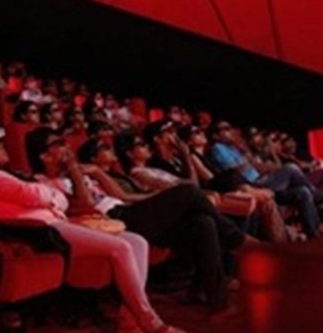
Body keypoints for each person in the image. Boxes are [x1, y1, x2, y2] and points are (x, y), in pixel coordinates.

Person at [0, 132, 184, 333]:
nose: (0, 145)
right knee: (121, 247)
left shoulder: (11, 176)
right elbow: (41, 196)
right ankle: (150, 322)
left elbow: (56, 199)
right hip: (40, 233)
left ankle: (129, 321)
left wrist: (49, 195)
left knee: (137, 241)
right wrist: (49, 196)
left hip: (59, 224)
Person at [61, 129, 249, 316]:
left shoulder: (93, 176)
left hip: (127, 211)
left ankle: (215, 300)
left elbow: (123, 196)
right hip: (111, 221)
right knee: (188, 191)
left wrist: (163, 198)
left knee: (203, 222)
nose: (66, 155)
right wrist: (78, 172)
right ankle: (238, 241)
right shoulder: (64, 182)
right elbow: (85, 203)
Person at [209, 121, 323, 238]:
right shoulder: (218, 148)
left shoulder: (233, 148)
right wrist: (246, 157)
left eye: (230, 128)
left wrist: (264, 166)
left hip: (262, 180)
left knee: (302, 191)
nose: (230, 131)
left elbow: (255, 166)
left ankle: (314, 232)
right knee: (291, 168)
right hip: (252, 185)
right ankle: (317, 194)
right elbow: (232, 172)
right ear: (215, 136)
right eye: (225, 129)